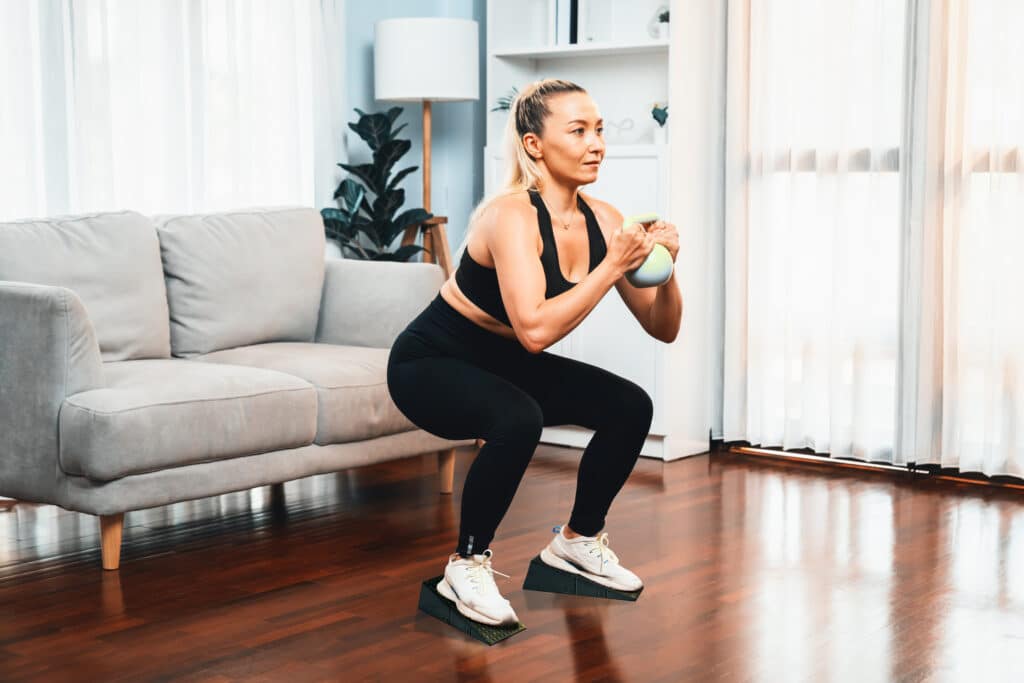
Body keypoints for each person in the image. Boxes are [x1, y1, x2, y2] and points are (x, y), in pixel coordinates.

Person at [386, 78, 682, 627]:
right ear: (533, 145)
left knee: (630, 405)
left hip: (503, 361)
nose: (596, 143)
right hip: (430, 361)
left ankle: (576, 541)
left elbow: (662, 329)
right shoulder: (510, 216)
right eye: (577, 130)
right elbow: (536, 333)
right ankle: (466, 565)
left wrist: (666, 269)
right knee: (518, 417)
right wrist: (612, 267)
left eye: (598, 130)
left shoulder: (606, 219)